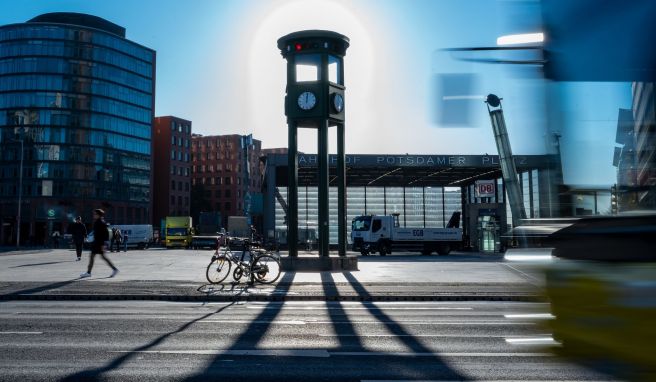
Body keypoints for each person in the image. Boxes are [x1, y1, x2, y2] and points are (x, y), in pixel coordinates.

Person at [80, 209, 118, 278]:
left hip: (99, 243)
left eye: (95, 214)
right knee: (94, 257)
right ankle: (89, 272)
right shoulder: (98, 222)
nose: (93, 215)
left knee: (101, 257)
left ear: (98, 215)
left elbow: (105, 234)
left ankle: (114, 269)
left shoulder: (101, 222)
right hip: (97, 243)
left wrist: (103, 245)